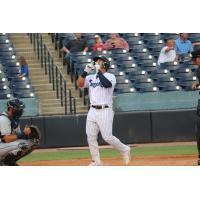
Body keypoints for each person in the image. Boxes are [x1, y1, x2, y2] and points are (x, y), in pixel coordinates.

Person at [77, 55, 131, 166]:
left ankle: (125, 149)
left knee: (107, 137)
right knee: (90, 136)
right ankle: (96, 161)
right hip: (92, 110)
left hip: (105, 109)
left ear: (106, 64)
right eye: (96, 61)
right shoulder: (91, 77)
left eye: (100, 61)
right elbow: (79, 84)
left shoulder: (110, 76)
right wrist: (85, 71)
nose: (97, 62)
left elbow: (107, 84)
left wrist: (98, 72)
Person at [0, 98, 40, 166]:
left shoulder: (14, 119)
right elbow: (6, 139)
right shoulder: (3, 119)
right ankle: (5, 163)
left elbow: (16, 137)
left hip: (3, 146)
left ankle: (10, 162)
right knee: (22, 145)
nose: (20, 110)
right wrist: (23, 133)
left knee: (33, 142)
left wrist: (27, 135)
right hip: (2, 144)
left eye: (21, 109)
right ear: (10, 108)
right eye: (18, 108)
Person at [191, 49, 200, 166]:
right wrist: (197, 83)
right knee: (198, 131)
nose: (193, 62)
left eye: (194, 59)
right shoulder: (198, 70)